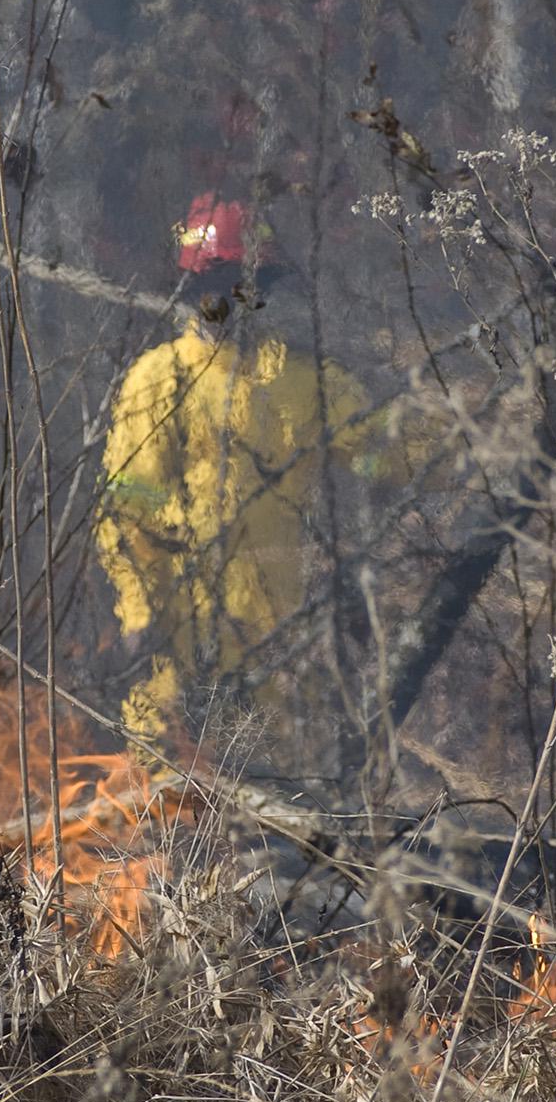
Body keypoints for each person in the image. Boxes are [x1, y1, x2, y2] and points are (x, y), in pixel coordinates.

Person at [97, 193, 381, 747]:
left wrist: (476, 435)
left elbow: (376, 451)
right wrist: (137, 610)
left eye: (246, 282)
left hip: (277, 645)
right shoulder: (158, 380)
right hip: (177, 646)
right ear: (193, 289)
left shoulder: (303, 383)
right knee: (168, 808)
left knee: (272, 803)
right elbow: (128, 507)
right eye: (217, 281)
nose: (230, 298)